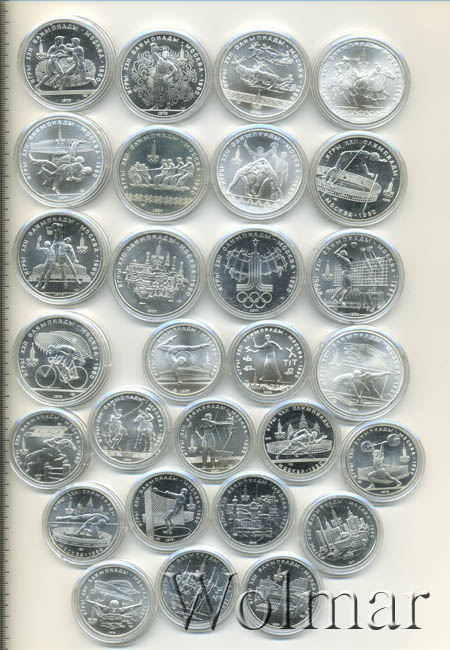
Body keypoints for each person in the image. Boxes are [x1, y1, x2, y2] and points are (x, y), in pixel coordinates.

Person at [150, 44, 178, 109]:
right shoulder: (158, 59)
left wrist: (168, 76)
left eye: (166, 54)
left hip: (165, 78)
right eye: (163, 53)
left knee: (166, 92)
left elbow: (175, 70)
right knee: (156, 92)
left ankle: (168, 106)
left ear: (168, 55)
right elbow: (153, 53)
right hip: (157, 78)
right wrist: (153, 46)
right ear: (162, 55)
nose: (165, 54)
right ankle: (155, 106)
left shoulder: (170, 63)